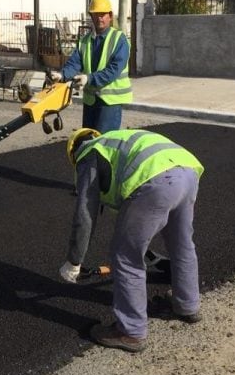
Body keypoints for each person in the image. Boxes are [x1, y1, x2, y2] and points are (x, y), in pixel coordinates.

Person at [58, 128, 205, 353]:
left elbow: (85, 213)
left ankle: (131, 332)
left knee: (126, 257)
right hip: (187, 172)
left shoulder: (88, 155)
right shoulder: (115, 143)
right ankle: (187, 305)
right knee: (182, 244)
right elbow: (128, 207)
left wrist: (74, 260)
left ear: (73, 152)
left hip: (157, 181)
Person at [57, 0, 132, 133]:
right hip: (91, 101)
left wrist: (89, 78)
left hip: (110, 102)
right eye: (96, 14)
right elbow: (74, 63)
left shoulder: (119, 40)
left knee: (103, 143)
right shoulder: (85, 41)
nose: (99, 18)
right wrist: (61, 75)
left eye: (103, 14)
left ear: (110, 16)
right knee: (88, 142)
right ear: (91, 17)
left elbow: (113, 70)